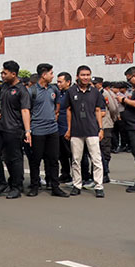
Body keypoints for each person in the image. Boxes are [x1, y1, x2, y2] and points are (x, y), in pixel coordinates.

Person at [62, 65, 105, 198]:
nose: (85, 77)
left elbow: (98, 110)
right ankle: (77, 185)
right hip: (76, 131)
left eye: (87, 75)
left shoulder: (95, 92)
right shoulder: (71, 91)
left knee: (96, 159)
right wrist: (69, 129)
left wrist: (101, 128)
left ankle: (99, 186)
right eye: (83, 75)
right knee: (76, 160)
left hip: (92, 130)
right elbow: (68, 110)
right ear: (77, 76)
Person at [0, 61, 31, 199]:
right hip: (0, 127)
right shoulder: (4, 87)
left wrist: (27, 131)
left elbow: (25, 111)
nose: (2, 75)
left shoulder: (21, 90)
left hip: (14, 129)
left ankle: (16, 186)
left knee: (14, 159)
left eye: (5, 73)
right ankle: (1, 182)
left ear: (13, 74)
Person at [27, 64, 68, 197]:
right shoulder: (31, 91)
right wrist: (28, 130)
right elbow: (26, 111)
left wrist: (53, 115)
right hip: (37, 130)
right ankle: (34, 186)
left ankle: (55, 186)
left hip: (52, 130)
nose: (53, 76)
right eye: (51, 73)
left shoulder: (53, 89)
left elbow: (57, 104)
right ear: (44, 75)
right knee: (36, 160)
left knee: (54, 159)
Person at [56, 72, 73, 183]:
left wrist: (69, 129)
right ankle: (65, 173)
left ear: (68, 82)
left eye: (60, 82)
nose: (58, 84)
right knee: (61, 154)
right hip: (58, 128)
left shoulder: (71, 94)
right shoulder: (59, 93)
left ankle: (80, 175)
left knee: (72, 154)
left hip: (68, 128)